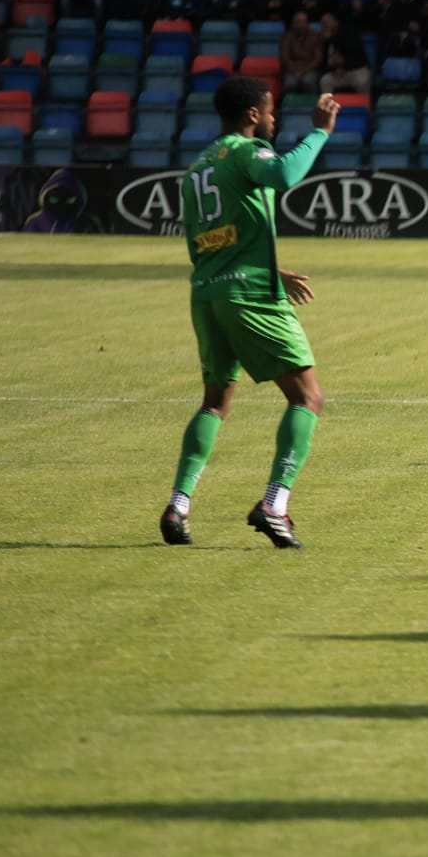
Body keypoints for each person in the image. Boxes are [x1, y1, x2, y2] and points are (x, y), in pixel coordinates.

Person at [162, 82, 341, 550]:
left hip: (207, 293)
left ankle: (179, 504)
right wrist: (319, 134)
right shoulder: (244, 152)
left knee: (215, 402)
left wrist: (270, 268)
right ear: (251, 115)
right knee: (308, 398)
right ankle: (274, 504)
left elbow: (206, 240)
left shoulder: (200, 166)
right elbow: (283, 175)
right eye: (271, 112)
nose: (275, 120)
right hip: (248, 297)